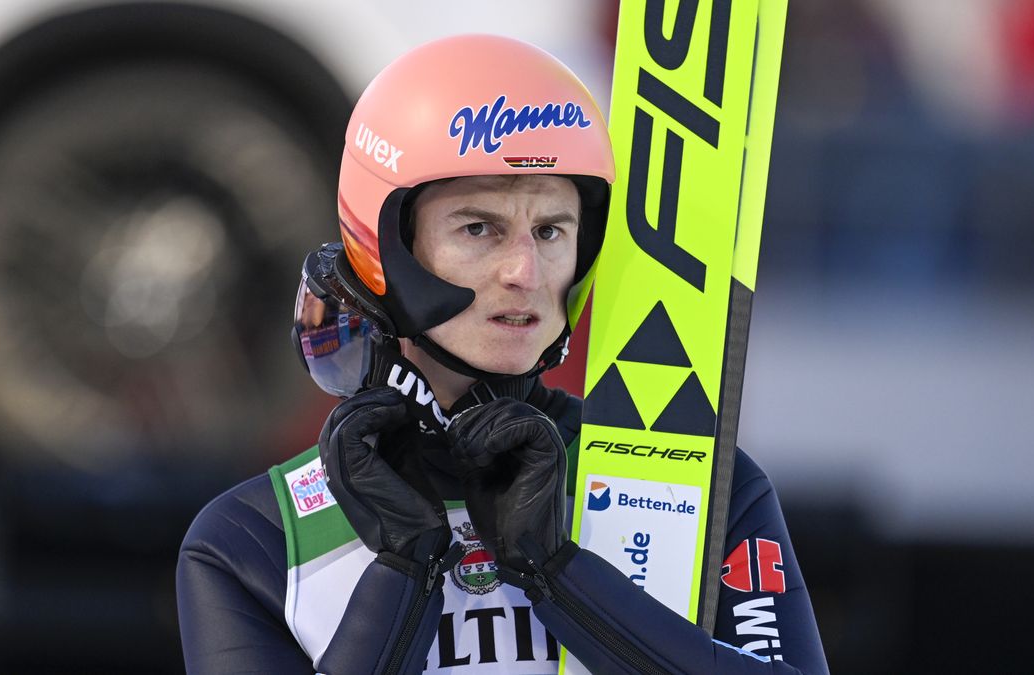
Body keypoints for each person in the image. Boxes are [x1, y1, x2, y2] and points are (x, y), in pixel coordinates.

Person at [177, 34, 829, 674]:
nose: (524, 271)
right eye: (479, 227)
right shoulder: (253, 540)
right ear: (386, 246)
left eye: (550, 230)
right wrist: (403, 570)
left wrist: (560, 576)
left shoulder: (703, 487)